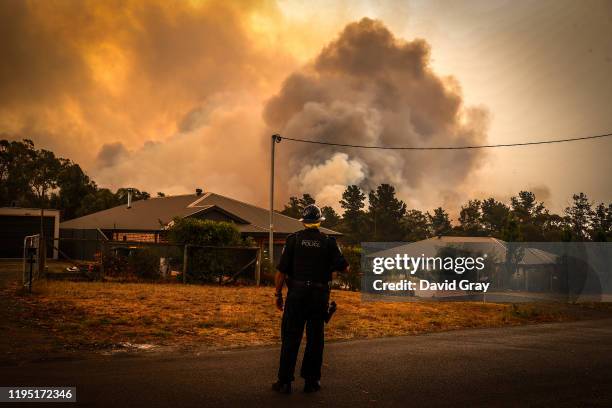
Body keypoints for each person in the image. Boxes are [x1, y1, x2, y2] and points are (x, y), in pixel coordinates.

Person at [272, 204, 349, 394]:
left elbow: (281, 272)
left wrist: (278, 295)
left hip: (296, 295)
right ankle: (311, 381)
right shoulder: (329, 242)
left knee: (290, 337)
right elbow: (345, 268)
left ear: (303, 221)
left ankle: (284, 382)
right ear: (319, 221)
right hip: (318, 297)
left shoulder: (293, 240)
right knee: (315, 340)